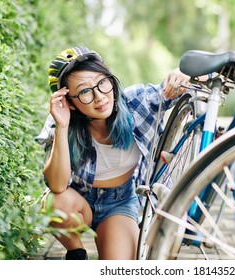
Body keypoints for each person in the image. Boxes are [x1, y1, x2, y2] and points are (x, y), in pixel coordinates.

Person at [36, 46, 191, 260]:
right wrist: (62, 127)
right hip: (79, 201)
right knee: (57, 203)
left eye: (102, 83)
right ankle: (76, 252)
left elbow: (193, 83)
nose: (99, 97)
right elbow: (57, 185)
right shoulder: (61, 119)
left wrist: (184, 73)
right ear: (69, 101)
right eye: (84, 92)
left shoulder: (135, 103)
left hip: (120, 201)